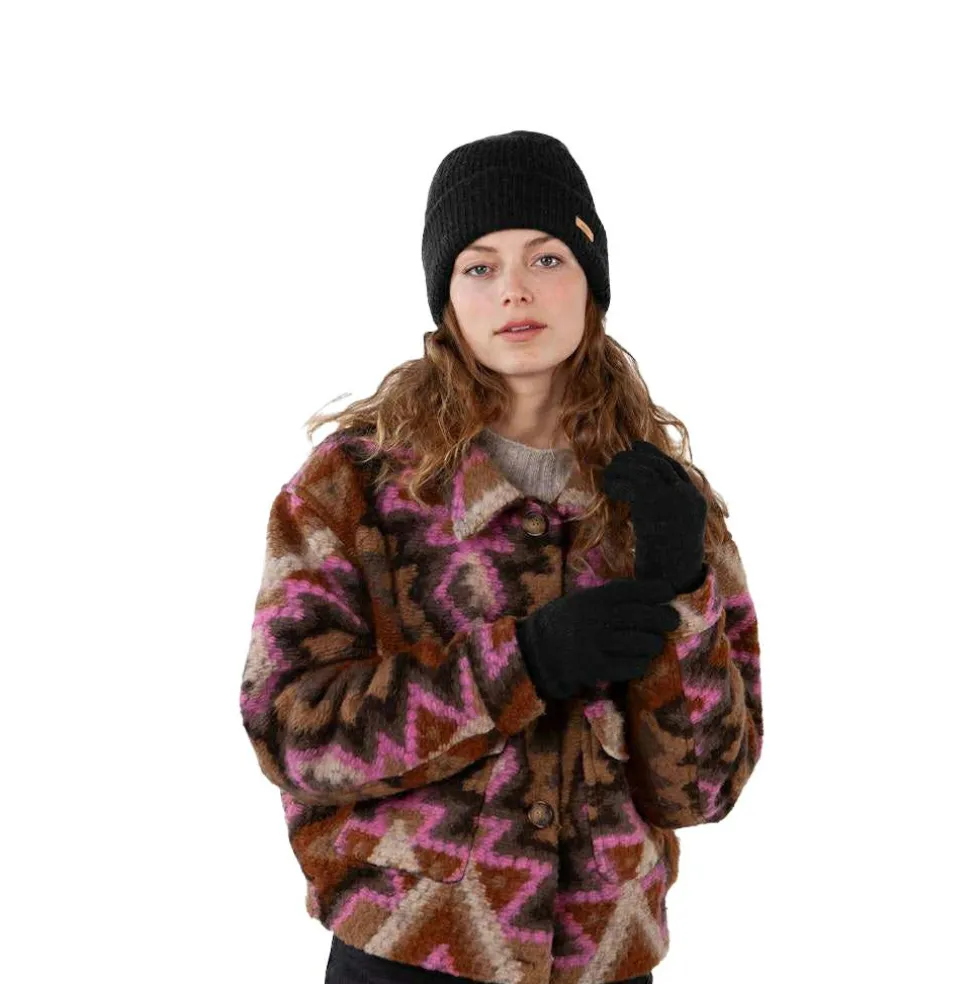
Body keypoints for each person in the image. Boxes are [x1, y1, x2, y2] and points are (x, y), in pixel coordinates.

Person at [239, 129, 763, 984]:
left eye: (546, 258)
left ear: (591, 280)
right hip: (408, 956)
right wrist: (524, 663)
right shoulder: (352, 486)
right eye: (479, 266)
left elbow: (703, 790)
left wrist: (684, 593)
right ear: (446, 297)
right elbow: (293, 735)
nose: (515, 289)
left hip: (607, 963)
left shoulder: (661, 497)